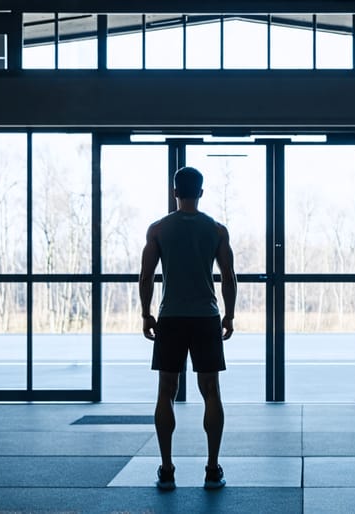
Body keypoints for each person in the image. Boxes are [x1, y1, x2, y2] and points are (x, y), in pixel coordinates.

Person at [138, 166, 237, 491]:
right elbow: (228, 276)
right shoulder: (216, 230)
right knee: (211, 391)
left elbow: (146, 276)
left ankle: (167, 470)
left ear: (174, 191)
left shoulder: (158, 229)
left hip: (172, 317)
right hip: (205, 317)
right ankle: (212, 470)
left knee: (165, 390)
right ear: (201, 192)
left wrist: (146, 314)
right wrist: (229, 315)